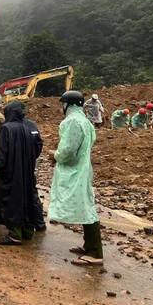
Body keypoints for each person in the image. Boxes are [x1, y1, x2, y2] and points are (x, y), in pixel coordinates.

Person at [49, 90, 103, 266]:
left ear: (67, 104)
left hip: (75, 171)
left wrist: (55, 154)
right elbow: (91, 141)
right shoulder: (85, 121)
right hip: (84, 168)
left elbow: (68, 151)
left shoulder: (72, 121)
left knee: (87, 209)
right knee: (86, 204)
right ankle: (89, 246)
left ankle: (95, 253)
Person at [0, 101, 43, 245]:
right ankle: (27, 231)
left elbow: (3, 151)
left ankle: (14, 234)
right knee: (26, 199)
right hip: (26, 172)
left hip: (11, 173)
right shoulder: (27, 128)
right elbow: (36, 148)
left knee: (11, 201)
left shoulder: (6, 128)